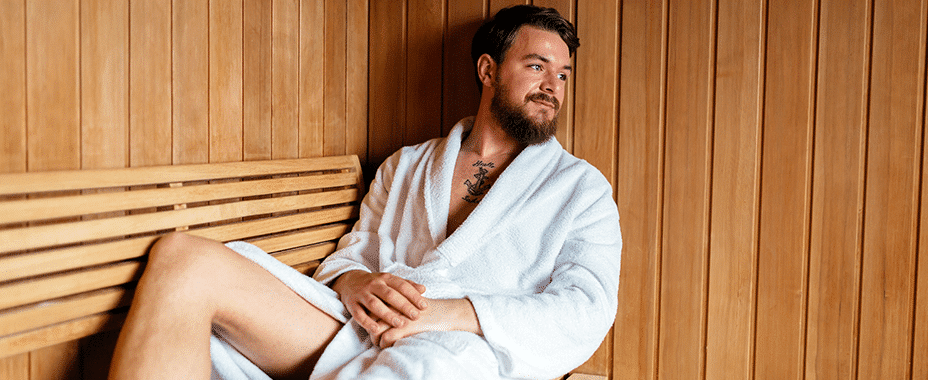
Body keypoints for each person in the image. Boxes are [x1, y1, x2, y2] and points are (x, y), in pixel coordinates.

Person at [109, 5, 620, 380]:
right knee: (183, 260)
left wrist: (448, 316)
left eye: (562, 74)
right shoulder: (407, 165)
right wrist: (354, 284)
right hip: (354, 328)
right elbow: (349, 258)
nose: (552, 85)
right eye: (536, 66)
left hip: (469, 353)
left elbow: (586, 309)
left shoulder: (581, 190)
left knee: (422, 368)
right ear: (488, 70)